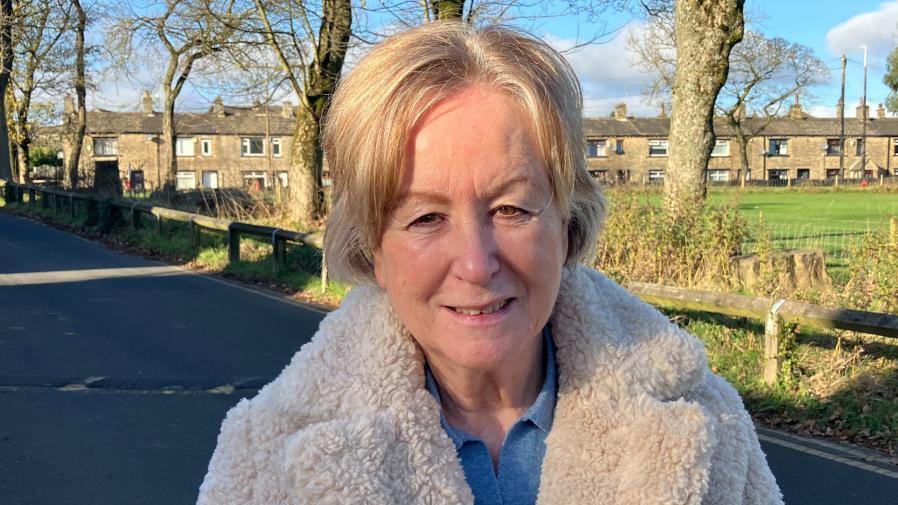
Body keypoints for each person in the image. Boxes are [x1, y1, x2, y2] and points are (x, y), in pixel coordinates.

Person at [197, 21, 783, 505]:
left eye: (512, 208)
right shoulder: (267, 456)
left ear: (567, 223)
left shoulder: (705, 423)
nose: (476, 264)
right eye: (425, 218)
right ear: (372, 248)